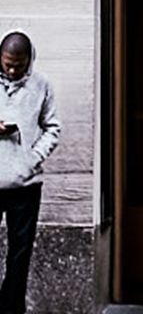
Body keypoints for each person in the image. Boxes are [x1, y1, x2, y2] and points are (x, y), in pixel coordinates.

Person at [0, 32, 61, 314]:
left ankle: (12, 308)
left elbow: (53, 127)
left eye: (19, 64)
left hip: (25, 184)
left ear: (29, 60)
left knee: (20, 253)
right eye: (8, 63)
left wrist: (33, 158)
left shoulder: (41, 85)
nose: (12, 70)